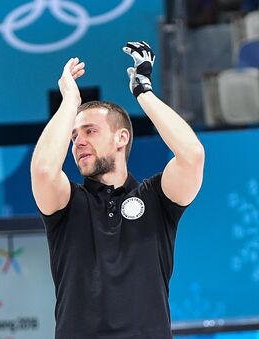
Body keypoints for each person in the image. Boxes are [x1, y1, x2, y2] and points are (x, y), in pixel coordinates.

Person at [30, 41, 205, 338]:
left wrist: (143, 91)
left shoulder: (155, 199)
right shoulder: (68, 203)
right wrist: (70, 102)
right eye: (74, 136)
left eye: (90, 131)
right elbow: (45, 170)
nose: (79, 142)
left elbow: (192, 156)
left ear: (121, 138)